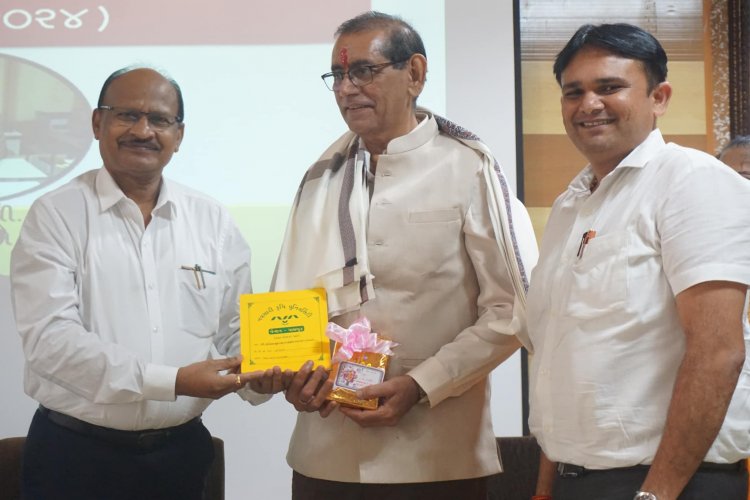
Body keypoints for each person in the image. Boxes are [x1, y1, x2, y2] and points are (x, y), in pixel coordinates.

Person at [271, 11, 538, 500]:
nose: (347, 89)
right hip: (327, 455)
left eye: (364, 71)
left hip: (437, 457)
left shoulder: (470, 169)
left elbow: (513, 310)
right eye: (338, 75)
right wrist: (293, 375)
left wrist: (421, 383)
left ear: (414, 73)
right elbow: (289, 305)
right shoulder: (319, 177)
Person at [10, 66, 284, 500]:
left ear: (179, 134)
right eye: (126, 115)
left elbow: (237, 329)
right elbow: (51, 342)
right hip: (74, 456)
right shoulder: (55, 215)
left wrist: (262, 375)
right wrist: (172, 380)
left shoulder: (211, 220)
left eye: (159, 120)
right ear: (98, 123)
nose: (143, 130)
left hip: (180, 456)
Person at [522, 23, 750, 500]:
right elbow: (563, 356)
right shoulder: (571, 205)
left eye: (609, 87)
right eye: (573, 92)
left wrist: (656, 494)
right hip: (575, 478)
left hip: (665, 483)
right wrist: (546, 487)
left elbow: (717, 352)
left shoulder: (692, 182)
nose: (589, 104)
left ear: (659, 97)